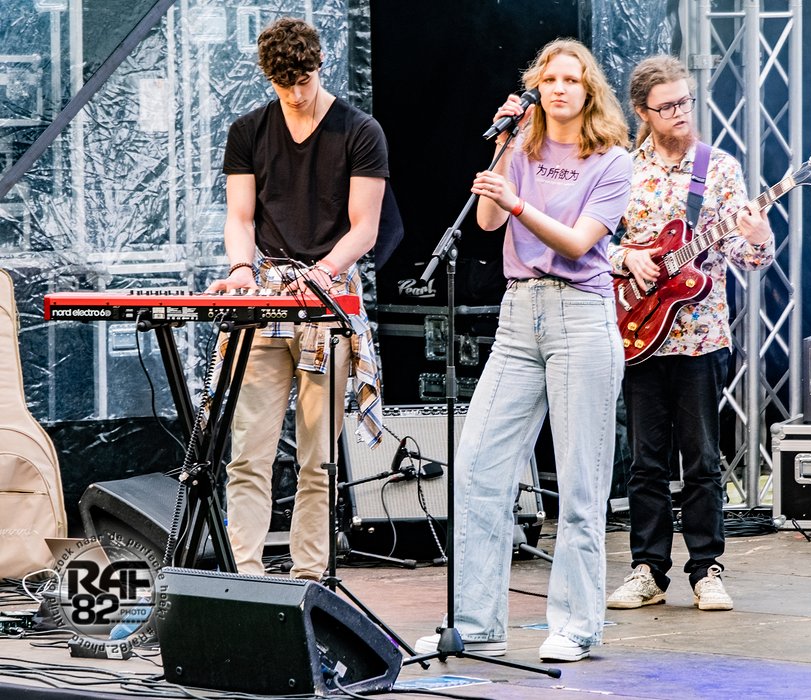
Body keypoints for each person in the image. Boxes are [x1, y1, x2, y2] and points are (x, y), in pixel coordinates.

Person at [415, 38, 632, 662]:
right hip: (519, 316)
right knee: (477, 466)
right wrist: (505, 149)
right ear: (535, 88)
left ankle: (576, 625)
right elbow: (487, 223)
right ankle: (476, 622)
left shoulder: (612, 161)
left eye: (571, 80)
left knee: (581, 481)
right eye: (548, 80)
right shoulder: (522, 147)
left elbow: (577, 243)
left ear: (589, 91)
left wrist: (518, 203)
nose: (558, 89)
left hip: (580, 317)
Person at [206, 17, 388, 580]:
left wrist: (325, 272)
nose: (295, 94)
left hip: (327, 302)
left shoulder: (359, 131)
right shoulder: (248, 131)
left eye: (303, 81)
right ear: (268, 78)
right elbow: (240, 217)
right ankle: (246, 578)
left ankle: (309, 577)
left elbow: (365, 228)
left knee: (318, 458)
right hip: (266, 298)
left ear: (320, 64)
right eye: (283, 84)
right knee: (247, 453)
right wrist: (241, 269)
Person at [606, 55, 774, 611]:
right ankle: (647, 571)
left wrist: (758, 235)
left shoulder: (719, 168)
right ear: (642, 112)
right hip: (638, 331)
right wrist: (627, 257)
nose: (681, 112)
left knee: (702, 460)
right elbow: (593, 243)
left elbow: (748, 257)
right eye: (668, 106)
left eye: (686, 101)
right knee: (646, 462)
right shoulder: (623, 168)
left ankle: (706, 570)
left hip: (701, 337)